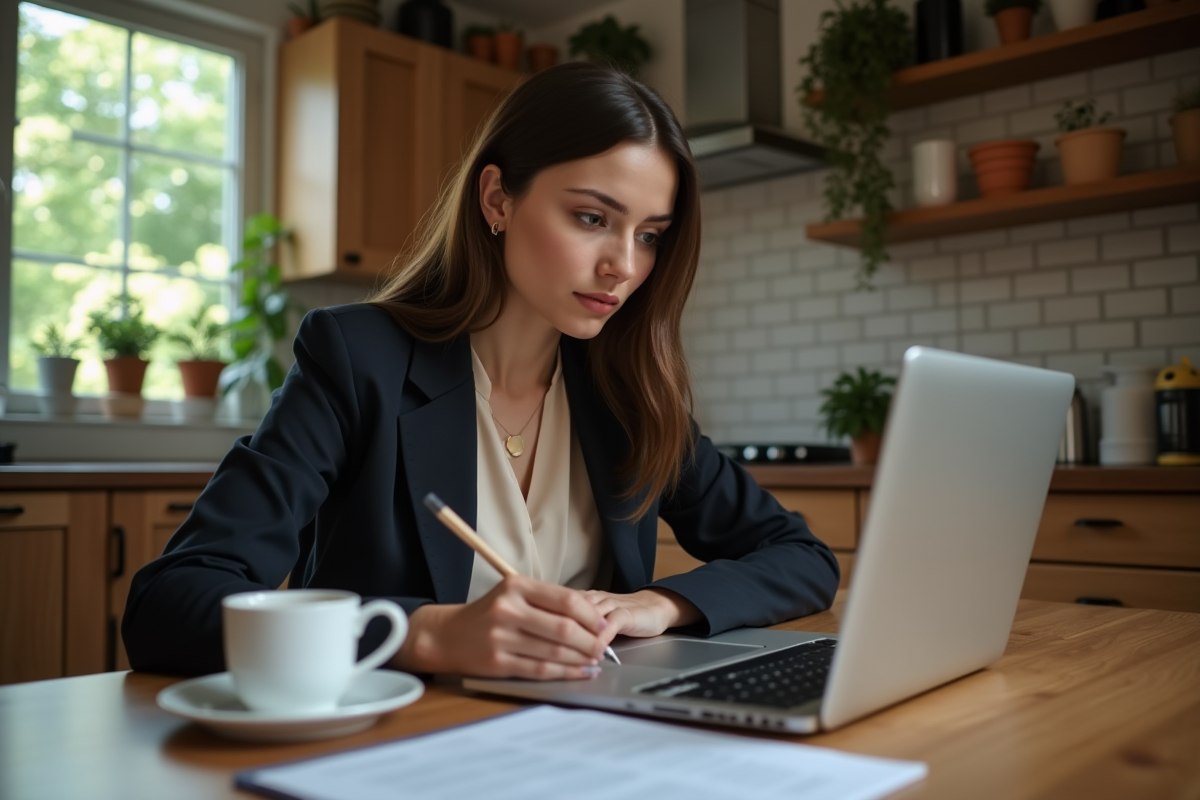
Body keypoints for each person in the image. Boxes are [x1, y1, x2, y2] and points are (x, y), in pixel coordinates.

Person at [122, 63, 840, 680]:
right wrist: (428, 635)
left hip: (593, 744)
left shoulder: (628, 399)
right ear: (497, 199)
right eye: (593, 218)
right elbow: (169, 605)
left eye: (649, 236)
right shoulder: (356, 358)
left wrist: (658, 603)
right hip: (393, 751)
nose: (624, 265)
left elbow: (802, 557)